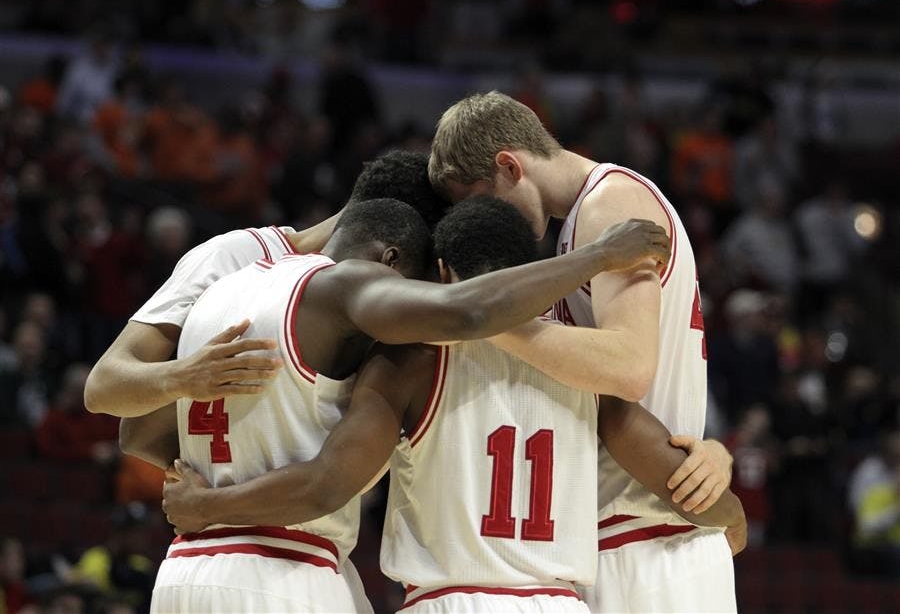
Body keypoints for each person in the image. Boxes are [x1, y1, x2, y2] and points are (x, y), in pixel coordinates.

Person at [159, 197, 745, 613]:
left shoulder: (409, 362)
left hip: (447, 602)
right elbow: (683, 490)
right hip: (557, 603)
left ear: (441, 273)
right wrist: (732, 516)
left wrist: (206, 505)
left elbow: (327, 482)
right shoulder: (586, 371)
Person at [428, 91, 737, 612]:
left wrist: (482, 320)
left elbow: (628, 368)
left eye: (479, 199)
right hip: (627, 536)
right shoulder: (579, 228)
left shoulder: (609, 203)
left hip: (649, 538)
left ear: (509, 165)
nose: (484, 219)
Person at [84, 150, 442, 419]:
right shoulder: (232, 256)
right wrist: (183, 378)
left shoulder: (349, 310)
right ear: (389, 238)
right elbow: (104, 387)